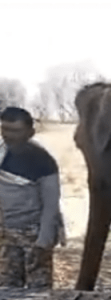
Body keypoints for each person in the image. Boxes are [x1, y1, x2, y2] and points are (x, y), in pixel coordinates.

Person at [0, 107, 66, 289]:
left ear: (31, 133)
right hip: (7, 235)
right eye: (4, 129)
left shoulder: (43, 161)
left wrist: (43, 242)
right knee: (7, 291)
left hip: (34, 234)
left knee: (39, 292)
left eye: (15, 131)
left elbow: (51, 205)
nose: (8, 136)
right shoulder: (1, 154)